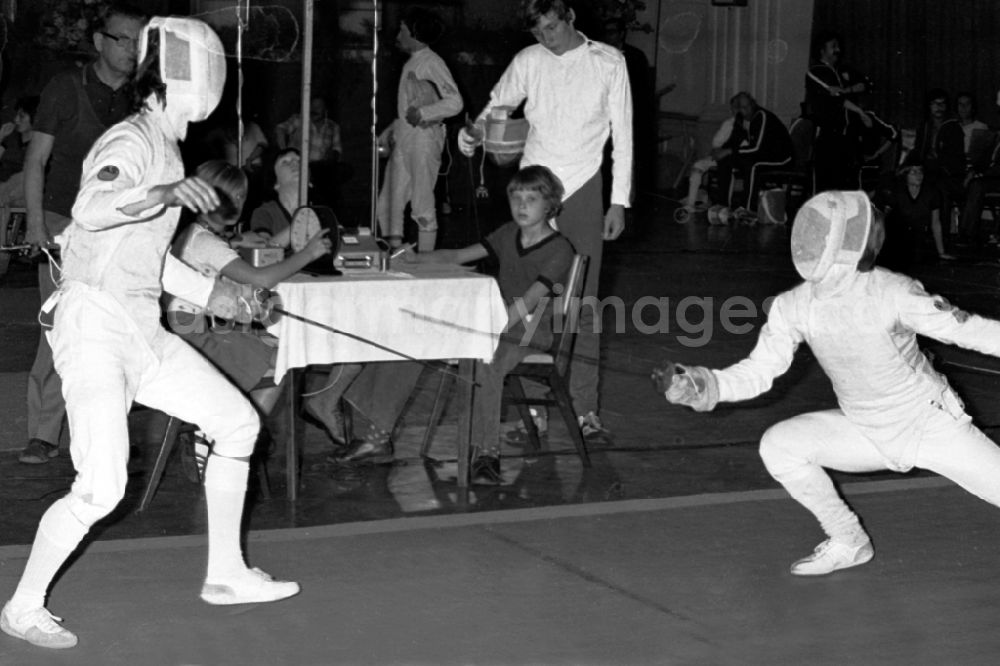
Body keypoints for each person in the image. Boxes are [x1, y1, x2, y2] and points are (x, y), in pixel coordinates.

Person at [0, 17, 299, 650]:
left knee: (239, 423)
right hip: (95, 328)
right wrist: (161, 190)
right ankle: (21, 608)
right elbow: (89, 209)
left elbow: (150, 257)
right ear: (180, 73)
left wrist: (226, 296)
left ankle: (225, 573)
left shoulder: (168, 145)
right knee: (101, 486)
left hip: (141, 328)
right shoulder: (133, 140)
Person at [654, 189, 1000, 576]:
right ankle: (850, 541)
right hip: (864, 428)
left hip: (928, 424)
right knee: (780, 446)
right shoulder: (794, 305)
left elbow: (970, 331)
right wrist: (708, 385)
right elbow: (760, 369)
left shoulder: (892, 292)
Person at [458, 0, 632, 442]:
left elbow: (624, 136)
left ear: (571, 16)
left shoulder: (608, 61)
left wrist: (619, 202)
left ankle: (585, 409)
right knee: (528, 300)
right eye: (538, 32)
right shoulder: (528, 60)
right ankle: (531, 412)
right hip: (533, 189)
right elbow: (497, 107)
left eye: (552, 28)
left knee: (582, 304)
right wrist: (473, 132)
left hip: (584, 188)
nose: (546, 38)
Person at [19, 2, 146, 465]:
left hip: (119, 230)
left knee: (119, 330)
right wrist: (36, 223)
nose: (132, 48)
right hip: (60, 223)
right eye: (122, 39)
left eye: (138, 40)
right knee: (60, 329)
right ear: (98, 42)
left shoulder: (143, 96)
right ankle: (44, 432)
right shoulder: (64, 88)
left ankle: (109, 433)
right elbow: (35, 161)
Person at [400, 165, 574, 483]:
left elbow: (529, 301)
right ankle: (470, 446)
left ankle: (486, 453)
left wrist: (489, 328)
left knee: (487, 360)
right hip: (497, 322)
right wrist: (415, 258)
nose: (521, 206)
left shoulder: (560, 249)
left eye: (531, 199)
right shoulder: (509, 233)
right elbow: (459, 257)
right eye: (516, 198)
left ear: (549, 204)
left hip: (532, 329)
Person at [167, 160, 332, 421]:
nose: (236, 201)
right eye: (228, 195)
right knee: (282, 359)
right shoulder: (206, 242)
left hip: (197, 330)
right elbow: (260, 279)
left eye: (240, 195)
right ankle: (236, 434)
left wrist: (241, 240)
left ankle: (237, 430)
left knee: (277, 347)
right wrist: (308, 254)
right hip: (198, 338)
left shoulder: (196, 233)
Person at [376, 8, 462, 252]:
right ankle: (396, 254)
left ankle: (425, 261)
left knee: (422, 204)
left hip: (424, 142)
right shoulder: (412, 63)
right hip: (405, 141)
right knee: (387, 203)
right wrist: (392, 129)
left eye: (403, 30)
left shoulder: (432, 62)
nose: (399, 35)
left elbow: (455, 102)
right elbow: (408, 109)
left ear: (416, 34)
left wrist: (425, 113)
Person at [806, 32, 871, 191]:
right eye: (833, 46)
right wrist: (858, 107)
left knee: (848, 182)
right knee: (826, 183)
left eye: (838, 46)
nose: (838, 50)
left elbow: (865, 84)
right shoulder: (815, 72)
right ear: (822, 50)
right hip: (829, 136)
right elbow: (835, 96)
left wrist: (846, 90)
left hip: (849, 135)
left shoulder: (844, 69)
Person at [716, 92, 792, 214]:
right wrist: (721, 151)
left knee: (753, 166)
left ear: (753, 104)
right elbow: (734, 141)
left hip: (781, 157)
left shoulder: (761, 116)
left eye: (748, 106)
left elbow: (757, 148)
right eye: (742, 108)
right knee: (726, 160)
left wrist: (729, 151)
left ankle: (747, 209)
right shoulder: (740, 119)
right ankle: (723, 205)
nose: (747, 110)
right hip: (762, 155)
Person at [679, 94, 743, 216]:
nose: (737, 110)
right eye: (734, 107)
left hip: (737, 159)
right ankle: (691, 204)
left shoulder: (748, 123)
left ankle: (724, 207)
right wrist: (719, 150)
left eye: (740, 107)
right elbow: (716, 142)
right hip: (721, 155)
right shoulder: (728, 123)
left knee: (727, 169)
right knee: (698, 165)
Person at [275, 96, 343, 209]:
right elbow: (280, 129)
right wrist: (284, 151)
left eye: (318, 107)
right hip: (298, 167)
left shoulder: (333, 127)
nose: (314, 110)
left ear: (326, 110)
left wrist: (331, 157)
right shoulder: (299, 120)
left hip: (320, 170)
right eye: (312, 106)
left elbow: (337, 149)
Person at [882, 163, 954, 269]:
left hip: (919, 236)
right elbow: (884, 219)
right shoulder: (897, 192)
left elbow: (935, 222)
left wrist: (941, 252)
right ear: (905, 175)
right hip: (899, 236)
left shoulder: (931, 193)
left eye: (920, 171)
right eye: (913, 172)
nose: (918, 175)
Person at [910, 89, 965, 226]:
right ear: (929, 106)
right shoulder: (925, 126)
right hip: (925, 169)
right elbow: (918, 150)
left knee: (940, 188)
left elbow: (955, 158)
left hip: (946, 172)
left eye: (942, 104)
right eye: (935, 104)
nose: (939, 107)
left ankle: (941, 232)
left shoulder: (953, 127)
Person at [0, 95, 39, 206]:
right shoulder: (10, 137)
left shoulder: (40, 144)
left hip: (18, 191)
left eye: (21, 116)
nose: (16, 119)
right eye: (16, 114)